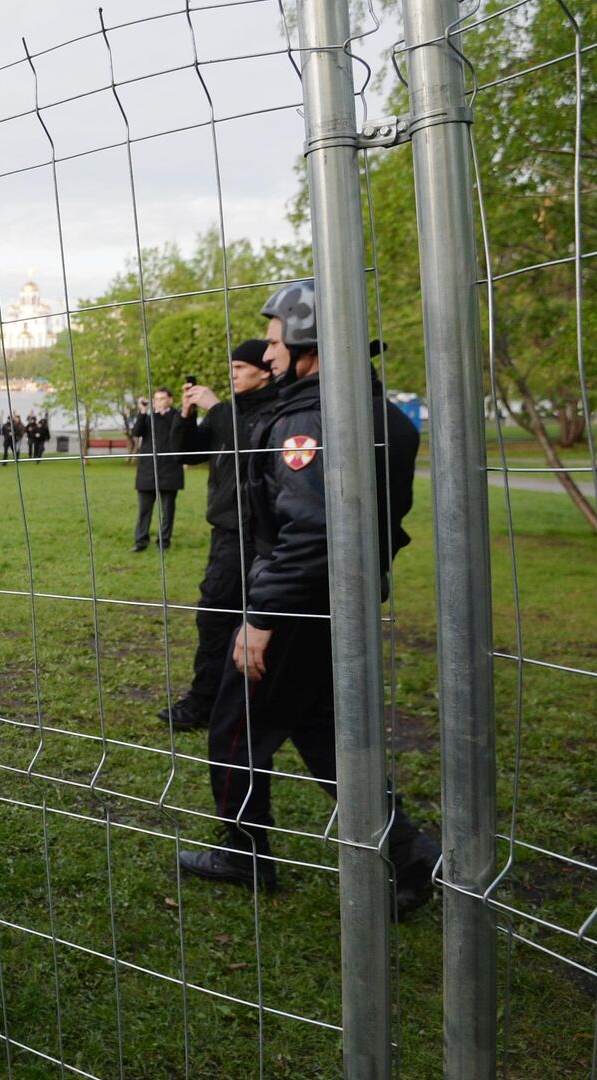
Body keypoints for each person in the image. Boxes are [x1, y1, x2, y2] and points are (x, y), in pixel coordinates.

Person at [179, 281, 441, 918]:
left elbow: (310, 528)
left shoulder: (309, 416)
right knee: (322, 733)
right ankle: (409, 853)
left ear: (308, 344)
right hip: (338, 601)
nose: (267, 355)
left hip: (298, 603)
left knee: (235, 724)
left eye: (274, 342)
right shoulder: (382, 412)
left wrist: (263, 617)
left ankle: (245, 852)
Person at [158, 340, 280, 731]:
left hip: (257, 534)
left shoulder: (271, 411)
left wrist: (215, 406)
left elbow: (251, 444)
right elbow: (187, 454)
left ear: (265, 371)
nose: (233, 374)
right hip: (226, 532)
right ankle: (214, 699)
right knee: (218, 617)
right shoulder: (232, 413)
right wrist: (187, 415)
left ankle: (208, 702)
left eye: (241, 368)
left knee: (225, 616)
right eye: (232, 367)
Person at [129, 387, 187, 552]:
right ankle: (141, 542)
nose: (158, 402)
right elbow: (137, 432)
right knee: (144, 510)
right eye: (156, 399)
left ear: (170, 400)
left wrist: (164, 415)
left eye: (161, 399)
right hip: (148, 470)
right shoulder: (148, 418)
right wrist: (142, 412)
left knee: (167, 511)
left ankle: (164, 542)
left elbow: (179, 432)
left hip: (170, 470)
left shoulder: (177, 416)